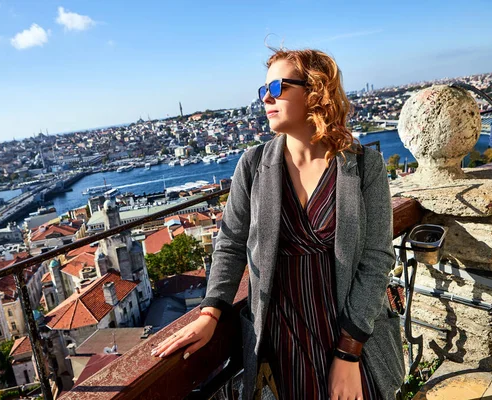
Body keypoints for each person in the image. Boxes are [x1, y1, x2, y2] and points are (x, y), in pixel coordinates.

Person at [151, 48, 405, 400]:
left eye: (277, 86)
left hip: (350, 336)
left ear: (315, 91)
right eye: (263, 89)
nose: (265, 97)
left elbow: (377, 260)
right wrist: (211, 310)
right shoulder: (253, 166)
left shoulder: (365, 167)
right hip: (282, 340)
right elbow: (230, 243)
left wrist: (348, 350)